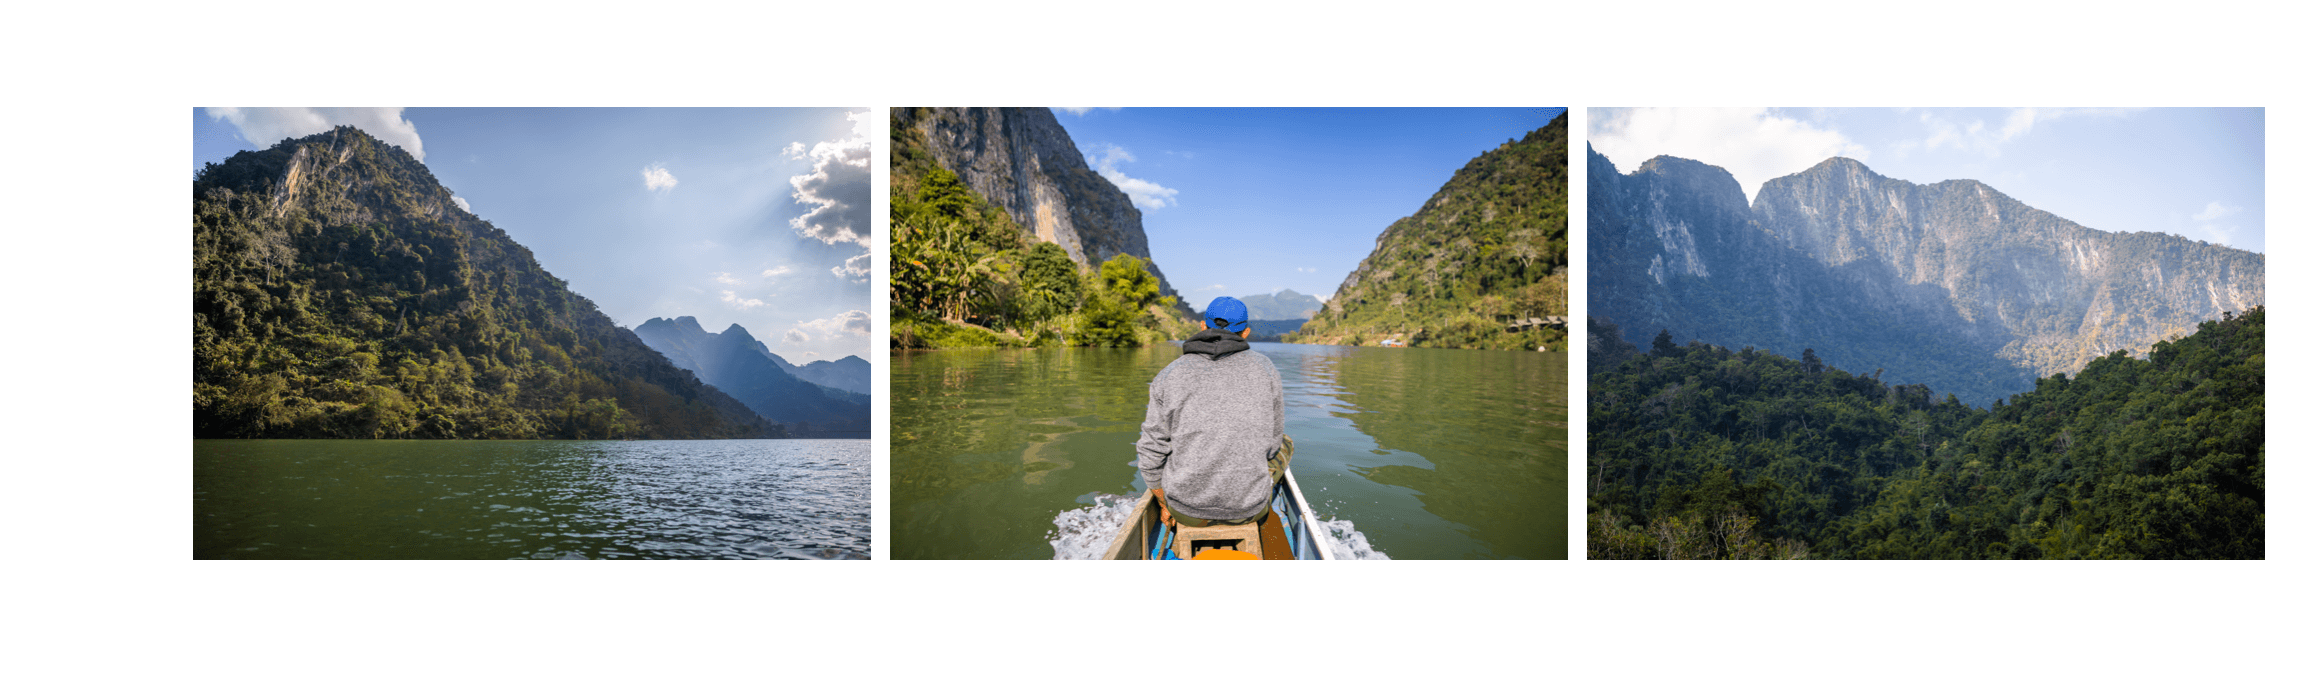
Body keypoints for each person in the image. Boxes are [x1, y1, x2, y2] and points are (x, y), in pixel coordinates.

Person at [1135, 296, 1292, 529]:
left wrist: (1163, 502)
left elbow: (1151, 451)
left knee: (1169, 447)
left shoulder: (1170, 374)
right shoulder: (1266, 369)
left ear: (1202, 326)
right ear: (1246, 332)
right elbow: (1272, 444)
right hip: (1248, 510)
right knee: (1286, 443)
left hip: (1186, 511)